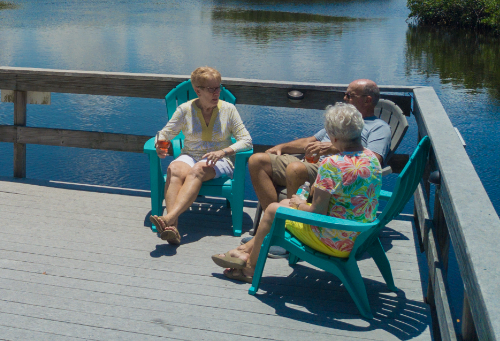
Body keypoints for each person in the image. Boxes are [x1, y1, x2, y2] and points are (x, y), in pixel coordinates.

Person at [212, 102, 382, 282]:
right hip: (360, 234)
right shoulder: (371, 158)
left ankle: (249, 269)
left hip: (335, 239)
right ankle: (244, 252)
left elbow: (317, 213)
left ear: (333, 137)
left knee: (272, 211)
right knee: (283, 204)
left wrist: (300, 204)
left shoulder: (332, 164)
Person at [249, 78, 390, 215]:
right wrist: (282, 147)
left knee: (296, 169)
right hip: (310, 162)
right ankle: (272, 222)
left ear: (368, 100)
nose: (344, 98)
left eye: (350, 95)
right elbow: (310, 141)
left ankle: (288, 224)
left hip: (335, 172)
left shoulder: (379, 128)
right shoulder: (344, 120)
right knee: (257, 161)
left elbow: (373, 159)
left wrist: (331, 148)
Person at [150, 66, 252, 245]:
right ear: (197, 90)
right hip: (190, 154)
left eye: (218, 87)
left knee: (198, 170)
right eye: (211, 89)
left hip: (220, 159)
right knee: (173, 168)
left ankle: (168, 219)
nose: (216, 92)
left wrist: (224, 152)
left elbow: (247, 141)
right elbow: (164, 133)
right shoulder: (185, 109)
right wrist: (159, 144)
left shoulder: (228, 110)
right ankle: (173, 229)